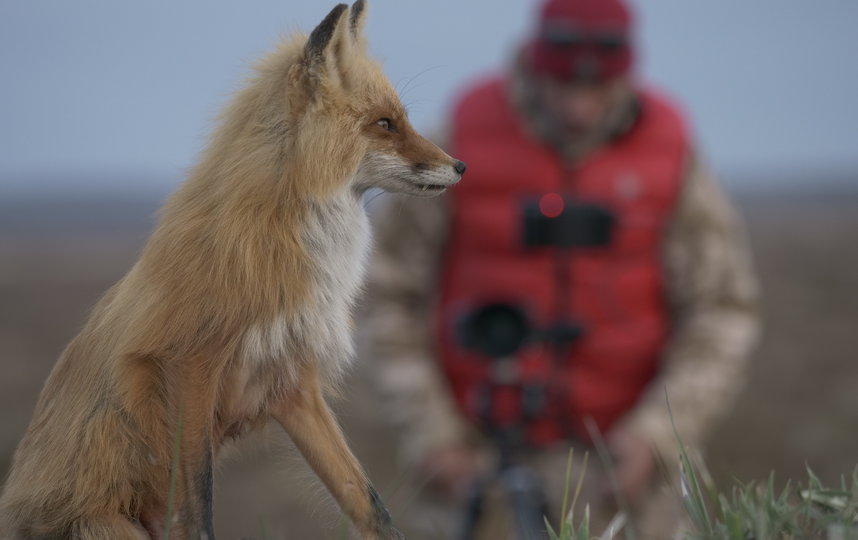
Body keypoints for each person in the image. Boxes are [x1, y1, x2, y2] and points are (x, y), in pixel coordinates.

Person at [360, 0, 759, 537]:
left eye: (598, 90)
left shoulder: (671, 148)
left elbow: (723, 308)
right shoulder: (460, 134)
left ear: (625, 72)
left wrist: (661, 436)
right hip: (474, 462)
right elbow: (384, 294)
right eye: (564, 86)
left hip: (624, 471)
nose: (579, 110)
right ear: (535, 61)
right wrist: (431, 433)